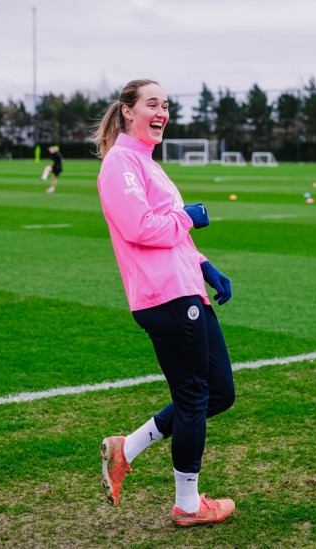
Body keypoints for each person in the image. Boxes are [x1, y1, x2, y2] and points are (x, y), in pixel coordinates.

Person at [92, 79, 237, 527]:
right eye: (152, 104)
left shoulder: (148, 164)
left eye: (166, 105)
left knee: (219, 393)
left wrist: (205, 263)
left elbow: (172, 236)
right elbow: (141, 227)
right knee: (194, 397)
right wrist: (188, 215)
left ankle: (126, 448)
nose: (162, 112)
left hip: (186, 285)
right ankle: (188, 506)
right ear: (127, 111)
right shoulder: (120, 164)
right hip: (164, 295)